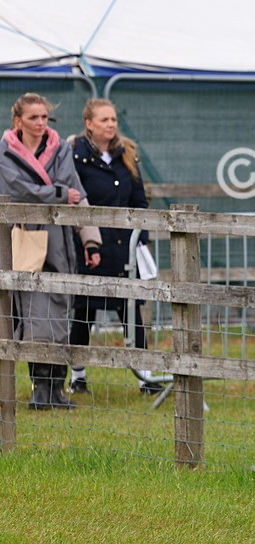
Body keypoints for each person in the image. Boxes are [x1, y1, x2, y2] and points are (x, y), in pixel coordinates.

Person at [0, 93, 101, 409]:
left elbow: (77, 194)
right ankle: (38, 390)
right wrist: (57, 193)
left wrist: (91, 241)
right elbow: (15, 189)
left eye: (45, 117)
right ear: (18, 120)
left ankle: (56, 390)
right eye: (34, 118)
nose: (41, 123)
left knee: (58, 312)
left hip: (58, 242)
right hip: (20, 238)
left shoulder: (60, 148)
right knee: (30, 314)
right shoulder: (4, 151)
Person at [67, 98, 163, 396]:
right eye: (104, 119)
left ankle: (145, 377)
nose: (111, 124)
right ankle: (77, 375)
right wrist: (85, 240)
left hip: (125, 247)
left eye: (113, 120)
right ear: (89, 124)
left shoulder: (127, 155)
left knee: (131, 311)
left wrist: (140, 238)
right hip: (90, 245)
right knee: (84, 312)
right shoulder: (75, 155)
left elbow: (140, 202)